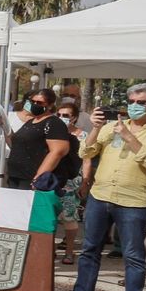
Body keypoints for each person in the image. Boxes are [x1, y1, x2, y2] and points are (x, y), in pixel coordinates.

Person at [58, 83, 146, 291]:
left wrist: (128, 136)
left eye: (141, 102)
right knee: (90, 249)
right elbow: (86, 152)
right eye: (131, 102)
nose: (134, 106)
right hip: (100, 196)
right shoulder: (111, 127)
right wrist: (95, 127)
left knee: (133, 256)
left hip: (133, 202)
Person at [4, 88, 72, 189]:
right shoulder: (31, 121)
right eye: (33, 101)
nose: (35, 104)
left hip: (32, 179)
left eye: (39, 102)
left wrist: (39, 177)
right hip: (15, 176)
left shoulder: (53, 123)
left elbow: (57, 152)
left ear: (50, 105)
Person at [56, 99, 89, 265]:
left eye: (66, 115)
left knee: (69, 217)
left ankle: (69, 252)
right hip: (53, 180)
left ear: (74, 118)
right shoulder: (53, 132)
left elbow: (87, 160)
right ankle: (49, 250)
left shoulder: (83, 136)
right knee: (51, 216)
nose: (62, 118)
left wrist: (85, 182)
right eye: (59, 114)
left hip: (72, 181)